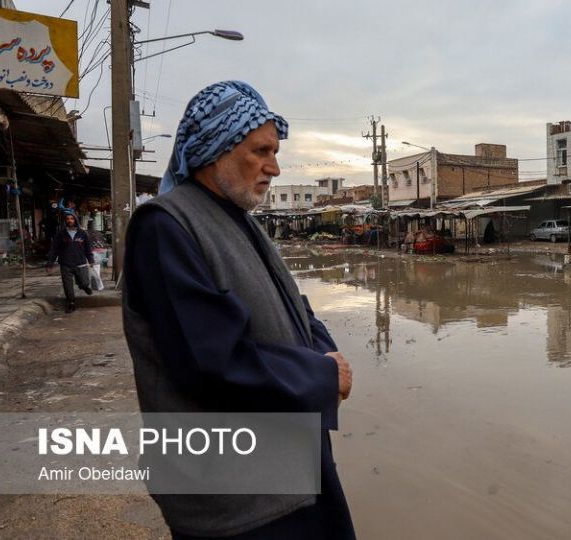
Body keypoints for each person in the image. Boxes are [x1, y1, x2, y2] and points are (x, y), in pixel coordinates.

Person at [123, 81, 355, 539]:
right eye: (260, 151)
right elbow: (209, 360)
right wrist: (321, 376)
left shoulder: (240, 220)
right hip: (233, 497)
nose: (275, 166)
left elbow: (296, 307)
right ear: (216, 150)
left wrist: (328, 357)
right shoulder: (165, 228)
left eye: (275, 151)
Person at [46, 211, 94, 313]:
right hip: (65, 263)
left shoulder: (82, 233)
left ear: (75, 220)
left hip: (80, 262)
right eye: (67, 219)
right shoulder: (60, 234)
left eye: (71, 219)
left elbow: (88, 248)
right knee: (67, 285)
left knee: (84, 282)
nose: (69, 220)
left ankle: (84, 286)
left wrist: (91, 260)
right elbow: (54, 249)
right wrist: (50, 263)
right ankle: (71, 303)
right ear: (65, 221)